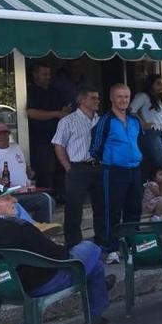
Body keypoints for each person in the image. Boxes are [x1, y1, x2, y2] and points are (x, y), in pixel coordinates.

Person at [0, 185, 115, 324]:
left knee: (95, 266)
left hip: (5, 288)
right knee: (92, 247)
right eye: (7, 198)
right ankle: (95, 316)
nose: (15, 200)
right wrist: (65, 247)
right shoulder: (19, 227)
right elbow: (58, 256)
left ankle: (97, 306)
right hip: (42, 284)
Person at [89, 83, 143, 264]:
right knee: (111, 210)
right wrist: (107, 160)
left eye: (126, 97)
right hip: (113, 171)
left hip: (134, 170)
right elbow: (95, 147)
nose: (123, 100)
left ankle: (130, 246)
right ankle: (111, 249)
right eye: (119, 97)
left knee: (134, 209)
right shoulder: (105, 120)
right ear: (112, 98)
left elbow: (139, 142)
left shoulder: (135, 120)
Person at [52, 86, 104, 249]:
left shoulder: (101, 120)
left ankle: (102, 241)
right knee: (74, 208)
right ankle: (73, 244)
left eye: (98, 98)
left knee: (102, 206)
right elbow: (59, 145)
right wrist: (68, 168)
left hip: (99, 167)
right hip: (78, 167)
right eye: (93, 98)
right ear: (82, 100)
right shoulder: (68, 120)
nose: (97, 101)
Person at [0, 122, 54, 223]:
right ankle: (39, 232)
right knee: (45, 200)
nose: (3, 136)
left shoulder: (15, 147)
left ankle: (39, 231)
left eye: (5, 133)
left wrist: (29, 171)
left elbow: (24, 165)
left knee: (47, 196)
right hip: (6, 195)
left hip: (26, 190)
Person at [26, 62, 70, 196]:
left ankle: (62, 198)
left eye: (49, 74)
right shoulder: (31, 91)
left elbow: (65, 108)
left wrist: (65, 111)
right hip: (40, 140)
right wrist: (56, 114)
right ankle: (48, 201)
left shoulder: (55, 91)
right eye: (44, 74)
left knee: (61, 169)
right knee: (45, 172)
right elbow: (31, 113)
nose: (48, 77)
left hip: (58, 139)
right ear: (35, 75)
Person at [130, 74, 162, 180]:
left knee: (150, 161)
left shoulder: (161, 100)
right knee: (160, 161)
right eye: (158, 83)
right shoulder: (143, 96)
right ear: (150, 84)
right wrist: (142, 123)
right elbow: (131, 110)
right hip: (151, 131)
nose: (161, 86)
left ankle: (149, 187)